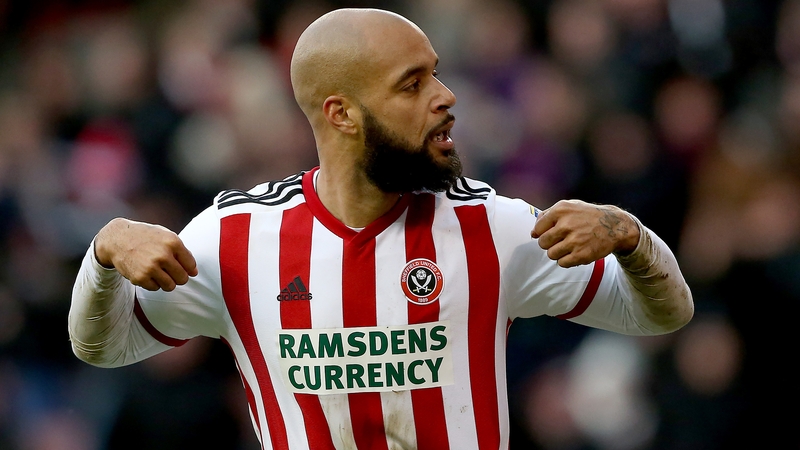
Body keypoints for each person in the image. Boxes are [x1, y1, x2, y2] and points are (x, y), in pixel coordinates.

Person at [68, 8, 693, 450]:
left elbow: (662, 315)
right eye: (412, 84)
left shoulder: (494, 227)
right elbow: (103, 347)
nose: (445, 96)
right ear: (342, 114)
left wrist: (630, 237)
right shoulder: (234, 239)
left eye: (435, 73)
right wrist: (104, 253)